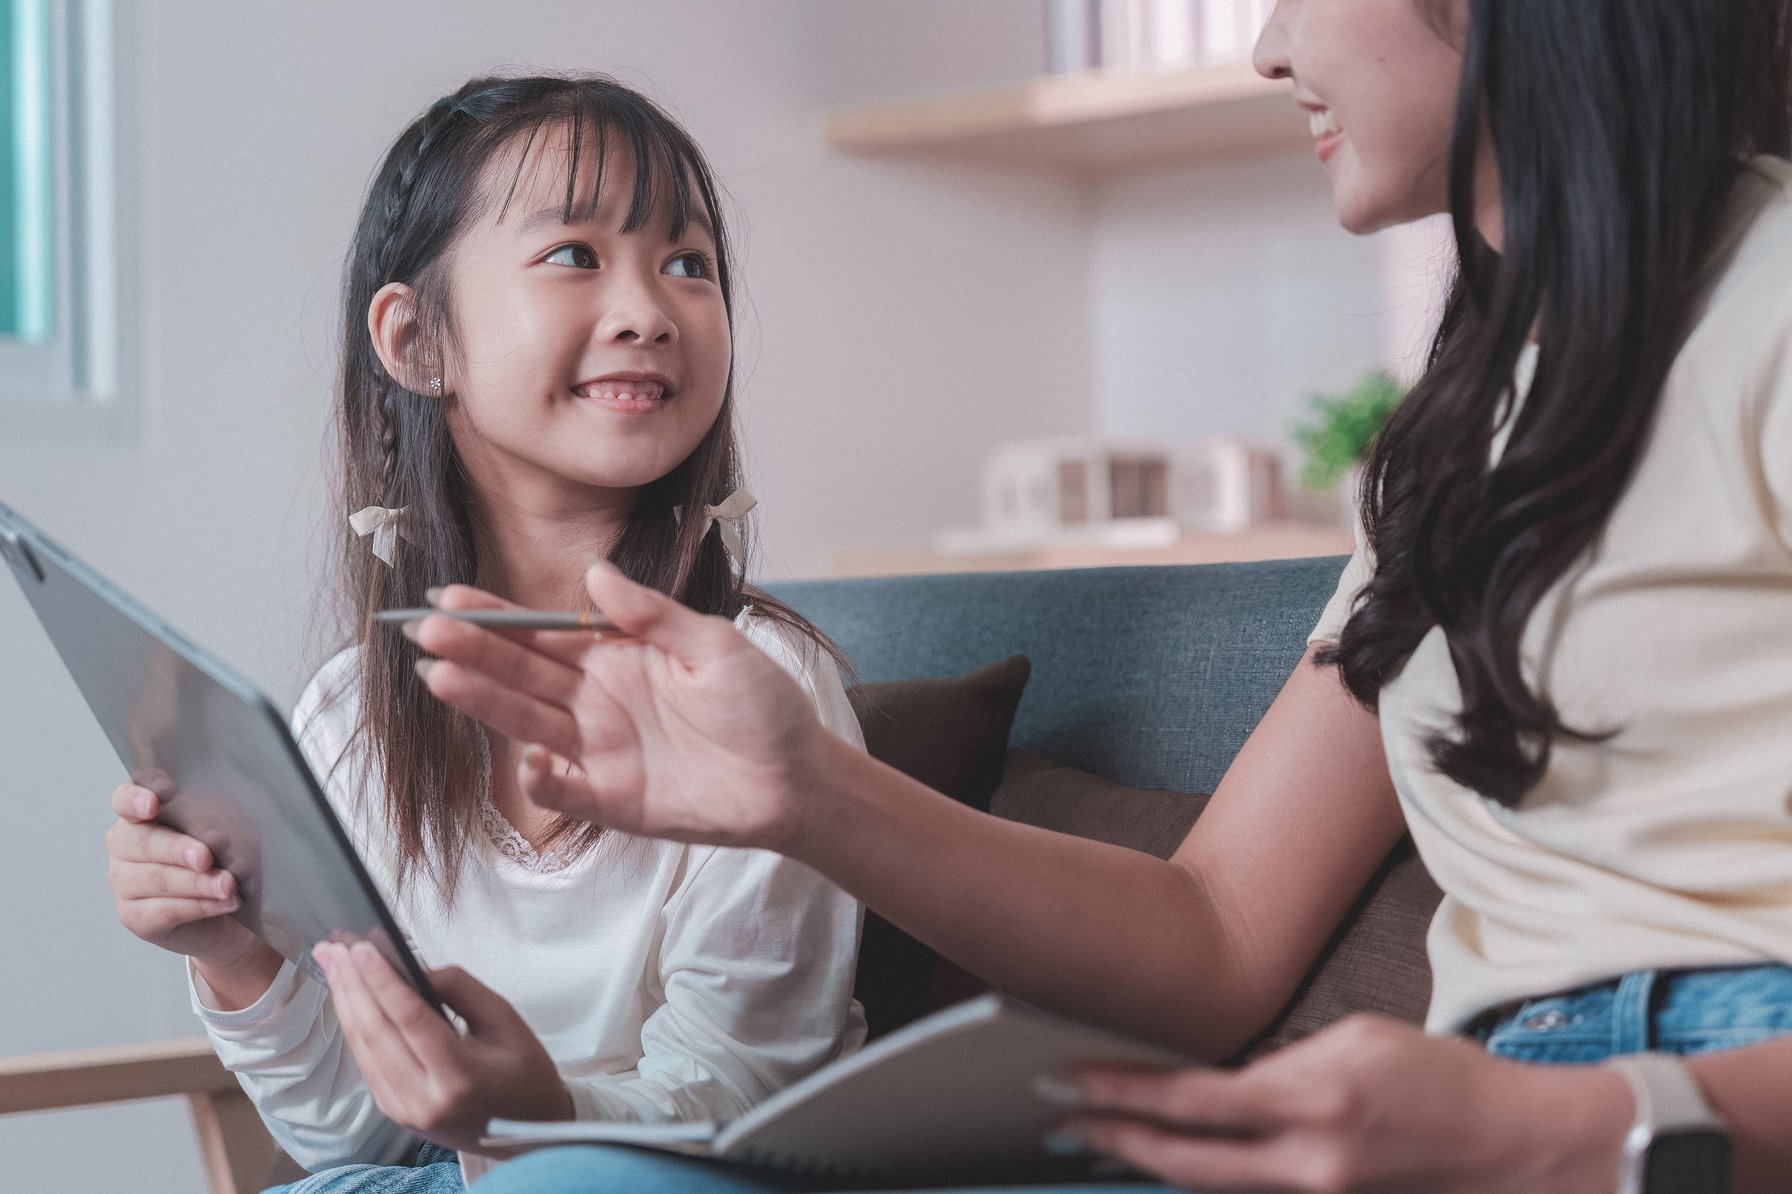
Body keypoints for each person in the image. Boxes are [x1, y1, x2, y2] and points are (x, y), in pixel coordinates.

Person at [412, 2, 1792, 1191]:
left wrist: (1588, 1125)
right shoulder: (1454, 440)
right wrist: (809, 793)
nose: (1265, 46)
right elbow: (1216, 934)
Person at [99, 74, 868, 1193]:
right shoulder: (351, 716)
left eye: (688, 263)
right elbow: (352, 1142)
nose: (649, 309)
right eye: (575, 255)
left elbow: (743, 1100)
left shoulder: (763, 688)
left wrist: (530, 1118)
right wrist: (233, 957)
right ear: (416, 341)